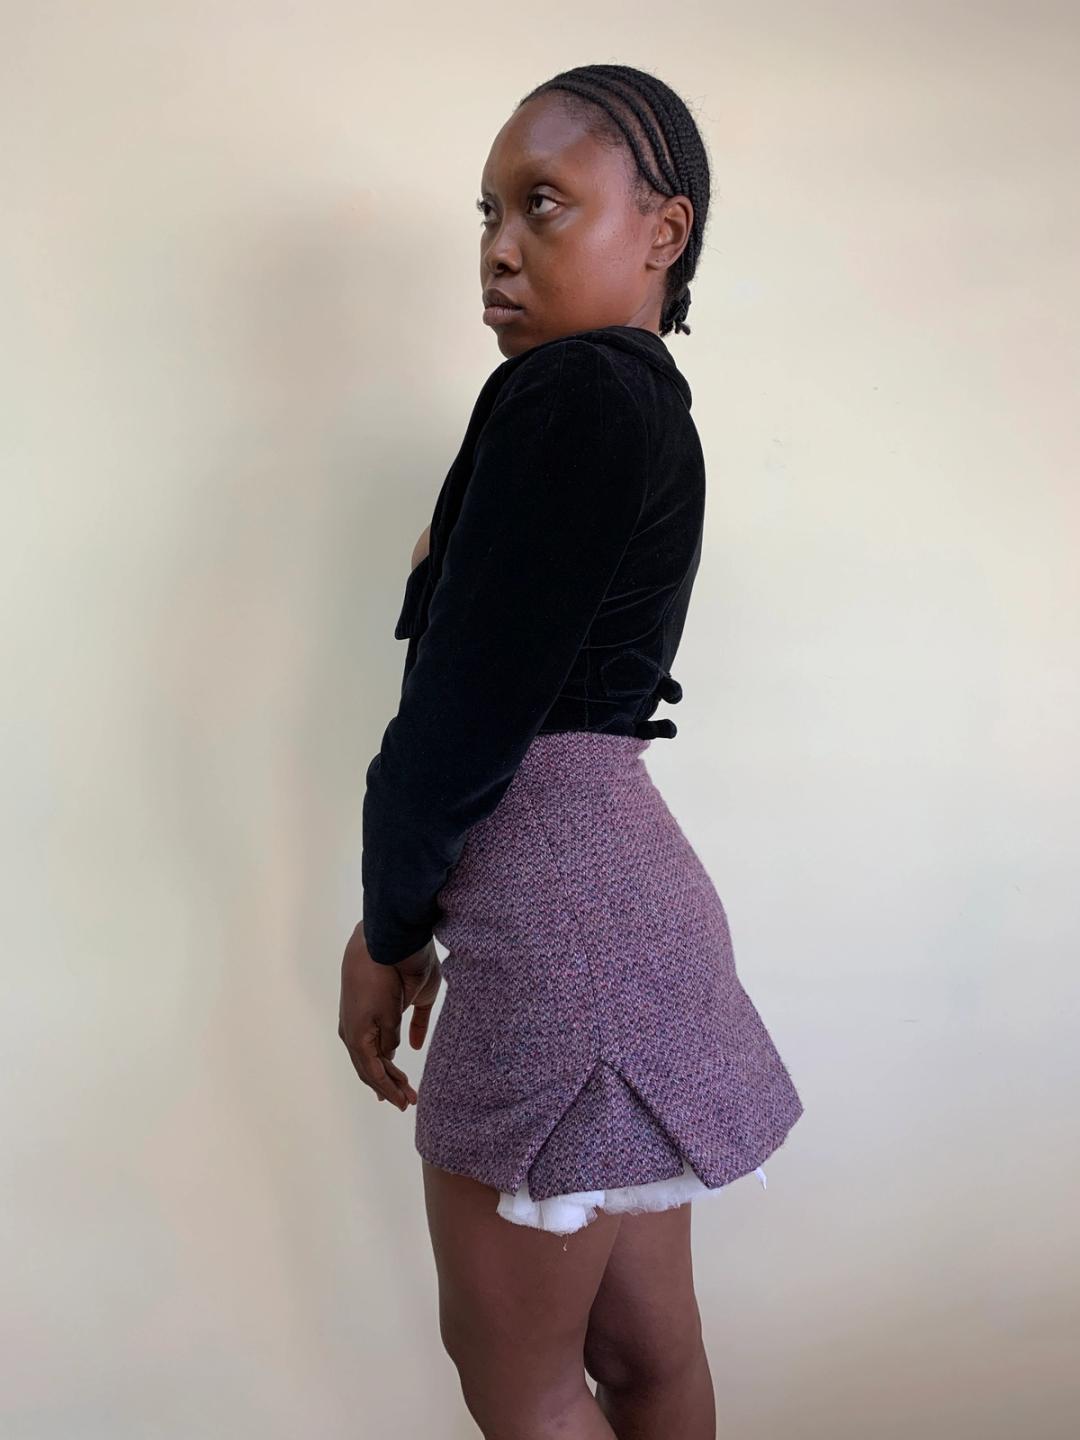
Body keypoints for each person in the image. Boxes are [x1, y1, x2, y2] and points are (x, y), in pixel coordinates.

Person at [339, 63, 804, 1440]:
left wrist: (387, 927)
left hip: (555, 927)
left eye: (543, 203)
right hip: (625, 907)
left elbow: (460, 720)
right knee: (650, 1356)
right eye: (487, 211)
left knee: (521, 1378)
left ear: (664, 230)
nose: (498, 246)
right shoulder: (644, 403)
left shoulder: (571, 394)